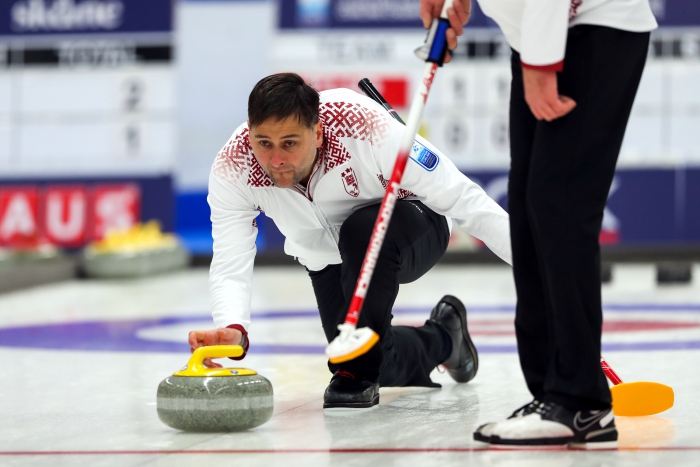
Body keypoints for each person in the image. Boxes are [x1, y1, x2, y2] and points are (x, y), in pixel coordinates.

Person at [188, 72, 512, 409]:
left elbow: (464, 198)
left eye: (289, 143)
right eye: (264, 143)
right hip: (327, 257)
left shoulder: (365, 126)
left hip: (416, 224)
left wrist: (538, 269)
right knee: (374, 360)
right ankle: (445, 339)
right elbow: (230, 258)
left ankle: (358, 371)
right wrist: (232, 328)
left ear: (317, 132)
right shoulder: (234, 165)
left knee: (360, 237)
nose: (276, 160)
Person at [421, 0, 657, 449]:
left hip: (585, 28)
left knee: (559, 206)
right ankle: (553, 395)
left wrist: (542, 61)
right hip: (539, 37)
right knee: (533, 210)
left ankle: (578, 401)